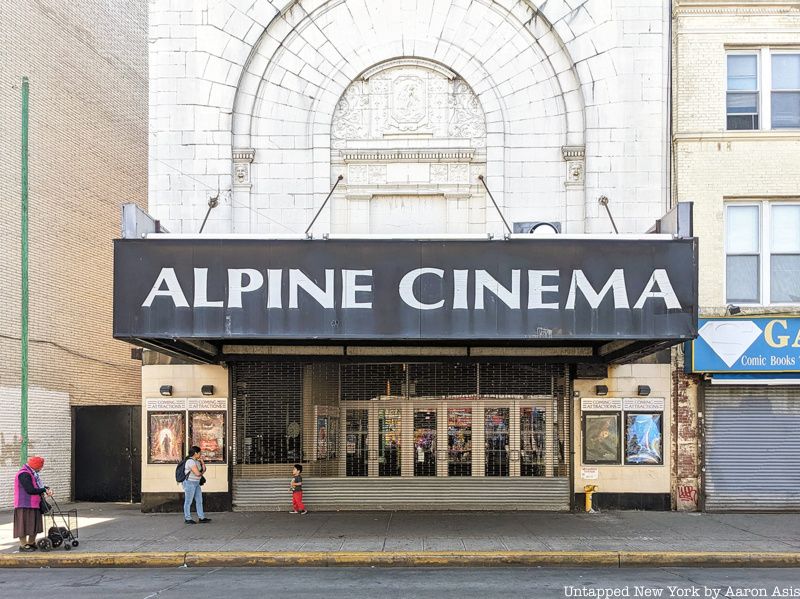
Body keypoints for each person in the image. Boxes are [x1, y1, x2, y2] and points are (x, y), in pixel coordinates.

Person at [14, 456, 52, 552]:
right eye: (40, 467)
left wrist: (45, 488)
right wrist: (43, 489)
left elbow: (36, 485)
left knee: (34, 524)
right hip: (24, 504)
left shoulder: (32, 473)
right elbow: (30, 490)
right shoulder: (24, 474)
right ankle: (23, 545)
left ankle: (31, 542)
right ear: (36, 466)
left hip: (34, 503)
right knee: (23, 525)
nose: (41, 469)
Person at [183, 446, 211, 524]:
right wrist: (201, 474)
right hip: (190, 483)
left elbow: (204, 469)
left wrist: (202, 462)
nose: (200, 454)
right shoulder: (190, 461)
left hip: (196, 483)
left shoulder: (197, 461)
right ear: (196, 453)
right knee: (188, 501)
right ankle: (187, 518)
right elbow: (198, 473)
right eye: (199, 453)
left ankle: (201, 517)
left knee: (199, 500)